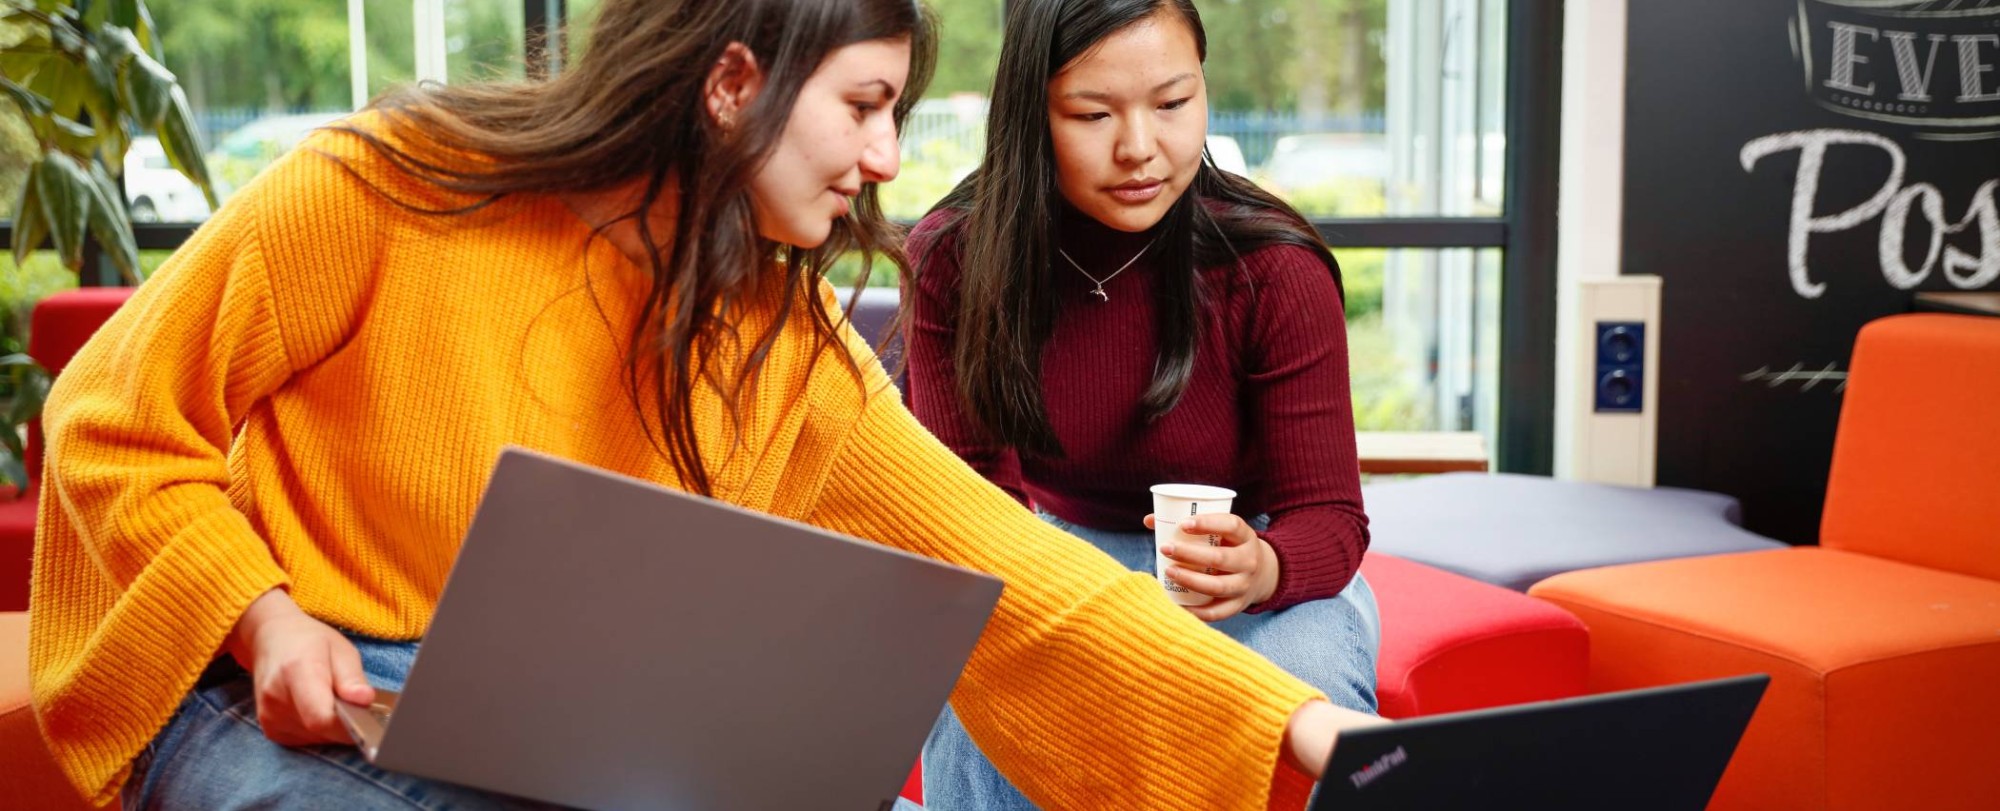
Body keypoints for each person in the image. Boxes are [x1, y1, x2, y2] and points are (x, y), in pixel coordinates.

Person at [27, 1, 1379, 810]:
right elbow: (109, 417)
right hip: (252, 693)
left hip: (526, 727)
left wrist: (1299, 729)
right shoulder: (386, 184)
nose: (888, 156)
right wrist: (264, 618)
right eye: (862, 104)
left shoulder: (778, 339)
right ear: (736, 83)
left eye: (896, 110)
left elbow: (1010, 565)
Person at [902, 1, 1381, 807]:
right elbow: (970, 515)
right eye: (1093, 114)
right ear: (1029, 112)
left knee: (1301, 691)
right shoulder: (956, 255)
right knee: (986, 684)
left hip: (1254, 575)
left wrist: (1261, 566)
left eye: (1172, 103)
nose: (1141, 149)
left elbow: (1328, 513)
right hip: (1049, 559)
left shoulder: (1271, 265)